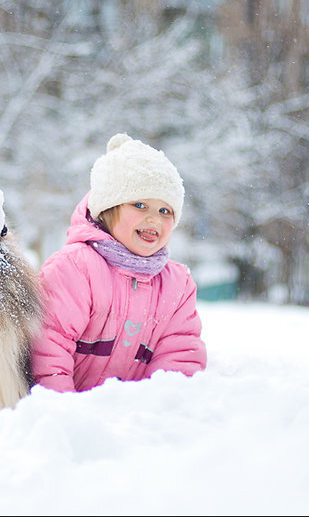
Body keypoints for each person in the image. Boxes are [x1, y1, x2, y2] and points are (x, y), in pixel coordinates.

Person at [31, 133, 206, 392]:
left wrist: (159, 412)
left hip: (131, 420)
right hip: (68, 414)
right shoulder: (75, 268)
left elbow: (179, 356)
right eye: (140, 204)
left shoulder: (177, 285)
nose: (154, 219)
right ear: (107, 209)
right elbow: (48, 346)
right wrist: (61, 411)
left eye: (165, 211)